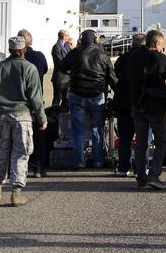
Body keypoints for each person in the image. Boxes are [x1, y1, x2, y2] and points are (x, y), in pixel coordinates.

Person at [0, 36, 46, 206]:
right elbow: (36, 97)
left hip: (0, 116)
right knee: (20, 154)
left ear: (10, 50)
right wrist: (42, 118)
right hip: (22, 116)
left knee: (0, 153)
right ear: (24, 49)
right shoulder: (29, 68)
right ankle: (16, 193)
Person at [58, 29, 115, 169]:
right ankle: (98, 161)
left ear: (81, 40)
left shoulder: (75, 53)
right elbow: (112, 77)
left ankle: (79, 162)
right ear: (95, 40)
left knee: (78, 131)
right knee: (97, 129)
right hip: (96, 95)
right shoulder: (102, 55)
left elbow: (61, 66)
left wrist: (71, 73)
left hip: (77, 94)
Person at [131, 30, 166, 190]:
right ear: (157, 45)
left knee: (141, 142)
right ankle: (154, 175)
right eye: (162, 45)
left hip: (137, 105)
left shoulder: (133, 57)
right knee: (160, 140)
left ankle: (141, 177)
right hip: (155, 105)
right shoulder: (160, 58)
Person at [113, 33, 149, 176]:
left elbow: (116, 74)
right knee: (143, 138)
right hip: (141, 102)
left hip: (124, 102)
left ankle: (123, 167)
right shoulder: (147, 58)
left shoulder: (122, 59)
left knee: (124, 138)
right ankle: (142, 167)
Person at [19, 29, 50, 178]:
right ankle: (38, 167)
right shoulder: (39, 57)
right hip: (37, 99)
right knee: (39, 136)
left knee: (19, 138)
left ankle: (21, 168)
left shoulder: (15, 60)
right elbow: (44, 70)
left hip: (20, 102)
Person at [50, 30, 73, 112]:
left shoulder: (66, 45)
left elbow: (71, 58)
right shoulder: (56, 47)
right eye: (67, 35)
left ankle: (64, 118)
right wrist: (70, 68)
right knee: (57, 99)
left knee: (66, 100)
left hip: (67, 79)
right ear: (63, 36)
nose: (68, 37)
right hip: (60, 78)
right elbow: (59, 62)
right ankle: (53, 117)